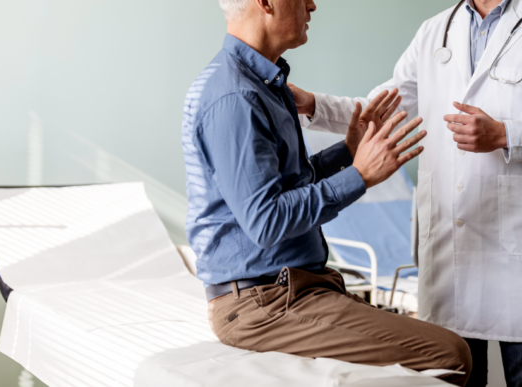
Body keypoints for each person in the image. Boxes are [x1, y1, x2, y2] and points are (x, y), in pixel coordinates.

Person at [289, 0, 522, 385]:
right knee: (455, 373)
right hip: (452, 243)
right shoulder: (436, 30)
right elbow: (382, 107)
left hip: (520, 245)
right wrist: (315, 105)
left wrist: (505, 134)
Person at [181, 0, 473, 384]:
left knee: (444, 347)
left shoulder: (266, 85)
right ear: (266, 3)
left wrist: (349, 152)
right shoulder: (235, 97)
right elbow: (266, 222)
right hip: (263, 303)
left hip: (296, 287)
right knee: (450, 354)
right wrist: (359, 176)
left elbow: (288, 185)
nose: (312, 5)